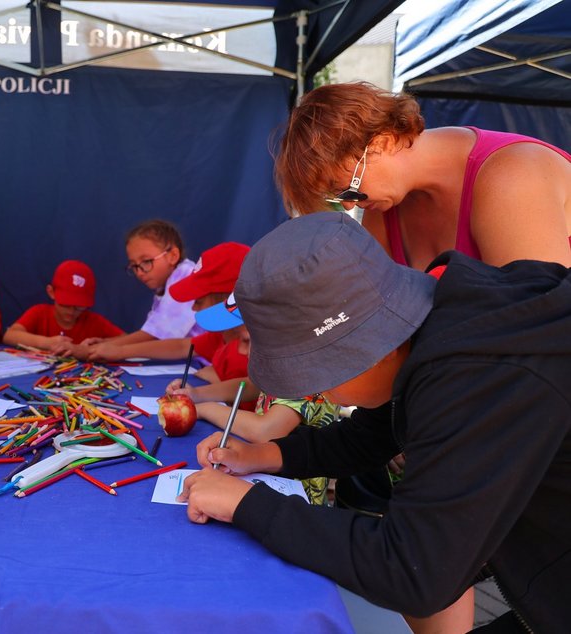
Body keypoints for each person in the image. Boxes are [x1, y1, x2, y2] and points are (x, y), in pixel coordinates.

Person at [178, 212, 571, 633]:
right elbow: (374, 433)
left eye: (316, 377)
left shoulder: (482, 377)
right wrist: (267, 455)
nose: (319, 393)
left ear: (368, 348)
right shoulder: (433, 327)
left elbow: (412, 572)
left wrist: (245, 504)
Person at [274, 82, 571, 270]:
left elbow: (538, 327)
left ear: (383, 142)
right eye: (339, 198)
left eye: (349, 190)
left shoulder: (511, 177)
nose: (350, 205)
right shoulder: (385, 206)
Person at [170, 299, 339, 505]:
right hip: (262, 477)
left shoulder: (304, 376)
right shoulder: (279, 365)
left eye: (249, 341)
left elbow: (267, 430)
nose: (247, 352)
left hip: (295, 504)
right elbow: (251, 385)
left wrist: (204, 408)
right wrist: (196, 394)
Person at [88, 242, 250, 384]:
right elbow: (182, 345)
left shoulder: (244, 354)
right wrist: (120, 352)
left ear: (227, 301)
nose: (193, 308)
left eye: (198, 301)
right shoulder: (221, 335)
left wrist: (216, 379)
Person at [87, 219, 202, 348]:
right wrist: (105, 343)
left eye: (146, 261)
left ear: (173, 256)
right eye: (134, 266)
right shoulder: (164, 287)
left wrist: (103, 348)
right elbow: (151, 336)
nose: (140, 272)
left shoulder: (186, 277)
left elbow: (155, 335)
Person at [3, 260, 123, 359]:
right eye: (65, 305)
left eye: (79, 307)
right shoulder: (39, 313)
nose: (71, 312)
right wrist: (47, 343)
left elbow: (127, 339)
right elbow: (10, 335)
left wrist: (101, 344)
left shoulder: (94, 321)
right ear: (51, 292)